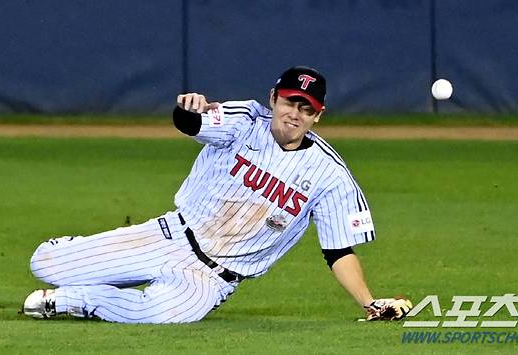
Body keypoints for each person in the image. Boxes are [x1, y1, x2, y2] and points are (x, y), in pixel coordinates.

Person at [22, 66, 412, 323]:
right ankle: (93, 265)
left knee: (157, 313)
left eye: (305, 108)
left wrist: (369, 301)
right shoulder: (245, 120)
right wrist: (188, 109)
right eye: (289, 101)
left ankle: (72, 301)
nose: (294, 113)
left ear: (317, 115)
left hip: (211, 279)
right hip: (167, 236)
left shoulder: (331, 175)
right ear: (273, 97)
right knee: (45, 263)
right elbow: (191, 123)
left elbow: (338, 251)